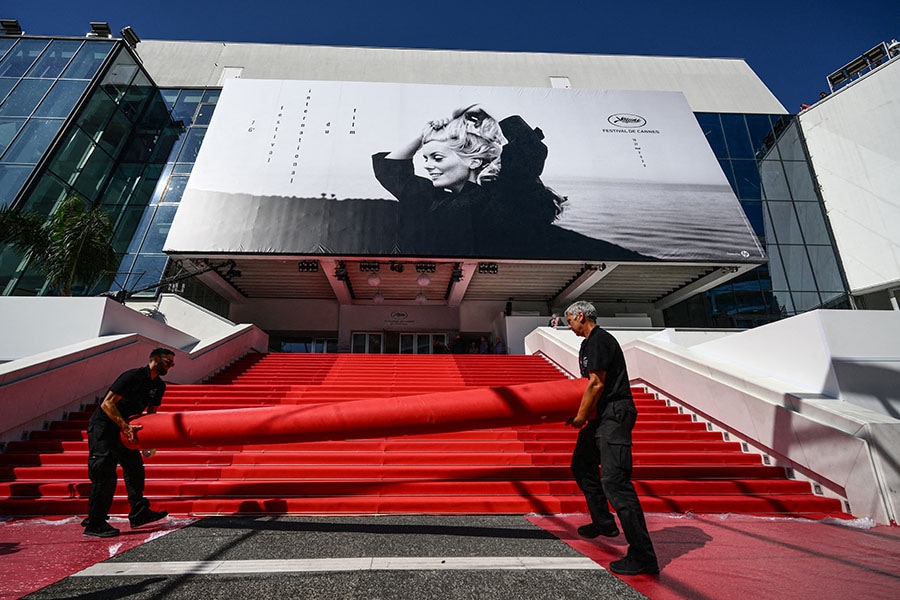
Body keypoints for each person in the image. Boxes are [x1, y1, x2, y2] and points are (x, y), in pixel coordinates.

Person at [564, 301, 659, 576]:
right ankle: (603, 522)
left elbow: (596, 383)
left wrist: (580, 417)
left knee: (615, 483)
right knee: (582, 466)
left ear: (581, 316)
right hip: (600, 415)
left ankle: (643, 556)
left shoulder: (600, 341)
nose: (569, 325)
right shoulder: (586, 345)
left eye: (570, 320)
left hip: (614, 413)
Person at [82, 347, 174, 538]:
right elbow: (107, 403)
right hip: (105, 428)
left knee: (135, 468)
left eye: (172, 362)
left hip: (126, 430)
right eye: (168, 361)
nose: (171, 365)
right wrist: (124, 426)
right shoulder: (131, 377)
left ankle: (138, 512)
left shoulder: (159, 386)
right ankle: (95, 523)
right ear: (155, 359)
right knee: (104, 473)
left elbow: (151, 414)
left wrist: (148, 439)